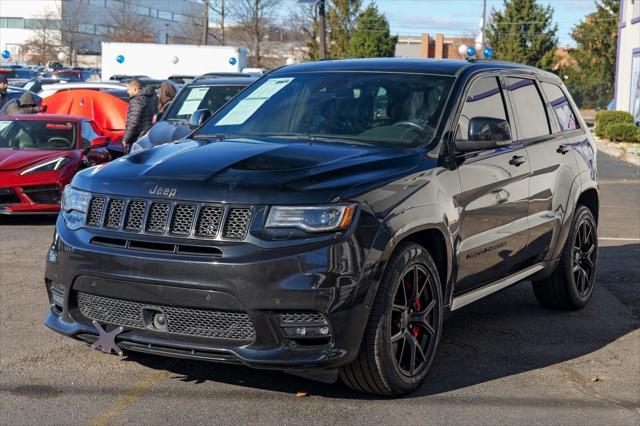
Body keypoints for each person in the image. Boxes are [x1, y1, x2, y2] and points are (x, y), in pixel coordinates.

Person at [122, 78, 157, 153]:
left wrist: (125, 139)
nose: (127, 92)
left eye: (128, 89)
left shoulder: (137, 101)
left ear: (134, 89)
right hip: (146, 136)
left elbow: (133, 122)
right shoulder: (149, 98)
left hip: (137, 138)